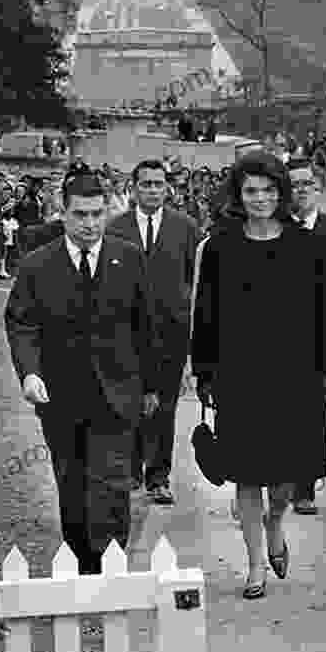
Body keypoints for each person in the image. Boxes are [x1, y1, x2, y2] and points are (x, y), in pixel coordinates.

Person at [191, 151, 326, 599]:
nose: (260, 199)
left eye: (269, 191)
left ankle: (276, 522)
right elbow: (206, 312)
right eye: (251, 191)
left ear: (282, 193)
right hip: (238, 375)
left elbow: (325, 311)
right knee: (247, 474)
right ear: (239, 195)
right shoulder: (220, 244)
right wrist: (204, 371)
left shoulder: (306, 244)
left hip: (295, 375)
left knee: (284, 480)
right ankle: (256, 564)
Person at [4, 172, 160, 574]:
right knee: (72, 486)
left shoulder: (128, 258)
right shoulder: (39, 264)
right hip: (61, 397)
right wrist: (30, 373)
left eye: (97, 214)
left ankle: (111, 564)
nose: (90, 223)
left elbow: (145, 325)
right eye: (80, 215)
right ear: (63, 214)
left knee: (111, 485)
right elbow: (21, 323)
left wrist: (152, 386)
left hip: (117, 394)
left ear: (107, 211)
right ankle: (83, 563)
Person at [108, 160, 200, 505]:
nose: (151, 190)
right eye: (145, 184)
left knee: (165, 406)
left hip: (170, 333)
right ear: (133, 188)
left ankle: (158, 478)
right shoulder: (116, 227)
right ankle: (130, 471)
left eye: (158, 184)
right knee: (128, 402)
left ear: (167, 188)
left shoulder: (186, 227)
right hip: (126, 332)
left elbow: (195, 277)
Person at [286, 158, 326, 516]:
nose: (301, 190)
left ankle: (305, 488)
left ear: (318, 189)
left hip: (319, 343)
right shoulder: (270, 230)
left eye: (307, 184)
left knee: (311, 418)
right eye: (294, 184)